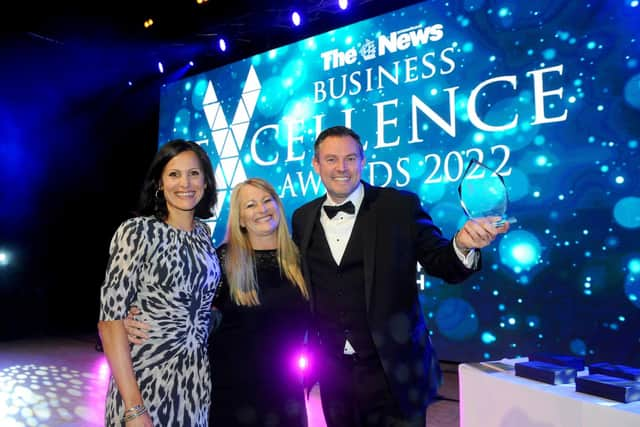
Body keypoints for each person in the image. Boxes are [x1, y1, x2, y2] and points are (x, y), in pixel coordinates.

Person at [291, 125, 510, 426]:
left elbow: (439, 261)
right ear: (316, 165)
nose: (341, 168)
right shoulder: (302, 218)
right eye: (331, 159)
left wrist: (462, 244)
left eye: (350, 158)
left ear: (363, 161)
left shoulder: (398, 206)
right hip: (334, 376)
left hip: (395, 372)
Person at [125, 178, 311, 426]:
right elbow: (180, 304)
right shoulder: (222, 261)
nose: (262, 209)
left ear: (278, 205)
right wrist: (131, 317)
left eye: (267, 201)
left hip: (286, 391)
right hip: (233, 392)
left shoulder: (300, 259)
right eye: (251, 205)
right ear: (240, 219)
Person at [98, 139, 221, 426]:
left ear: (206, 181)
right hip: (146, 378)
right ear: (160, 183)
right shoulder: (138, 231)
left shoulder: (203, 234)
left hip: (194, 380)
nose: (185, 183)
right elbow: (110, 320)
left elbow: (196, 300)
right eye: (174, 174)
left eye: (194, 173)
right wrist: (133, 408)